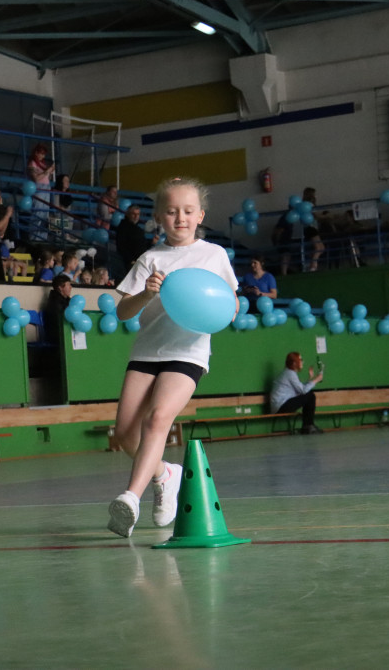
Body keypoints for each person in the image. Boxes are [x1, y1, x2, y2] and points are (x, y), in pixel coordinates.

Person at [106, 176, 238, 538]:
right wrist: (146, 295)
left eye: (188, 211)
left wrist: (225, 313)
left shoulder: (214, 255)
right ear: (159, 218)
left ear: (200, 216)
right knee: (123, 434)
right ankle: (165, 474)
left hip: (188, 351)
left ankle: (130, 498)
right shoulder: (150, 259)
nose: (180, 217)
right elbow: (122, 312)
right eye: (171, 211)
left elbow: (231, 304)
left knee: (159, 417)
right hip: (148, 351)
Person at [270, 352, 325, 435]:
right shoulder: (290, 374)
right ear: (294, 363)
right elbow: (303, 391)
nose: (302, 362)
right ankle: (308, 425)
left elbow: (300, 389)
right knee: (310, 396)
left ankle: (308, 426)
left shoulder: (289, 373)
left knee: (309, 395)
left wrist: (310, 379)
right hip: (281, 406)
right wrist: (316, 380)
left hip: (280, 405)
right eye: (300, 360)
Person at [115, 204, 151, 269]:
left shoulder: (138, 229)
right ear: (128, 214)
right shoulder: (123, 227)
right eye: (133, 214)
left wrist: (152, 242)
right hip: (131, 263)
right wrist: (130, 260)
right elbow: (121, 246)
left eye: (138, 214)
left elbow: (142, 245)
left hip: (140, 261)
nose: (136, 216)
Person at [43, 273, 72, 345]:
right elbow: (58, 321)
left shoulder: (68, 301)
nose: (71, 287)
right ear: (60, 287)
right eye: (68, 285)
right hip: (57, 335)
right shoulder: (54, 303)